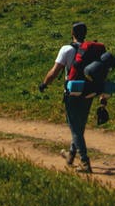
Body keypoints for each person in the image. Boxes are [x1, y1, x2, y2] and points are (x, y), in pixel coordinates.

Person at [39, 21, 94, 173]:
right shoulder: (91, 49)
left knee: (75, 127)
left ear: (72, 33)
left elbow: (55, 71)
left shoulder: (67, 49)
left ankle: (84, 161)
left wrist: (44, 84)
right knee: (79, 125)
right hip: (89, 91)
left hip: (74, 92)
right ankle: (71, 155)